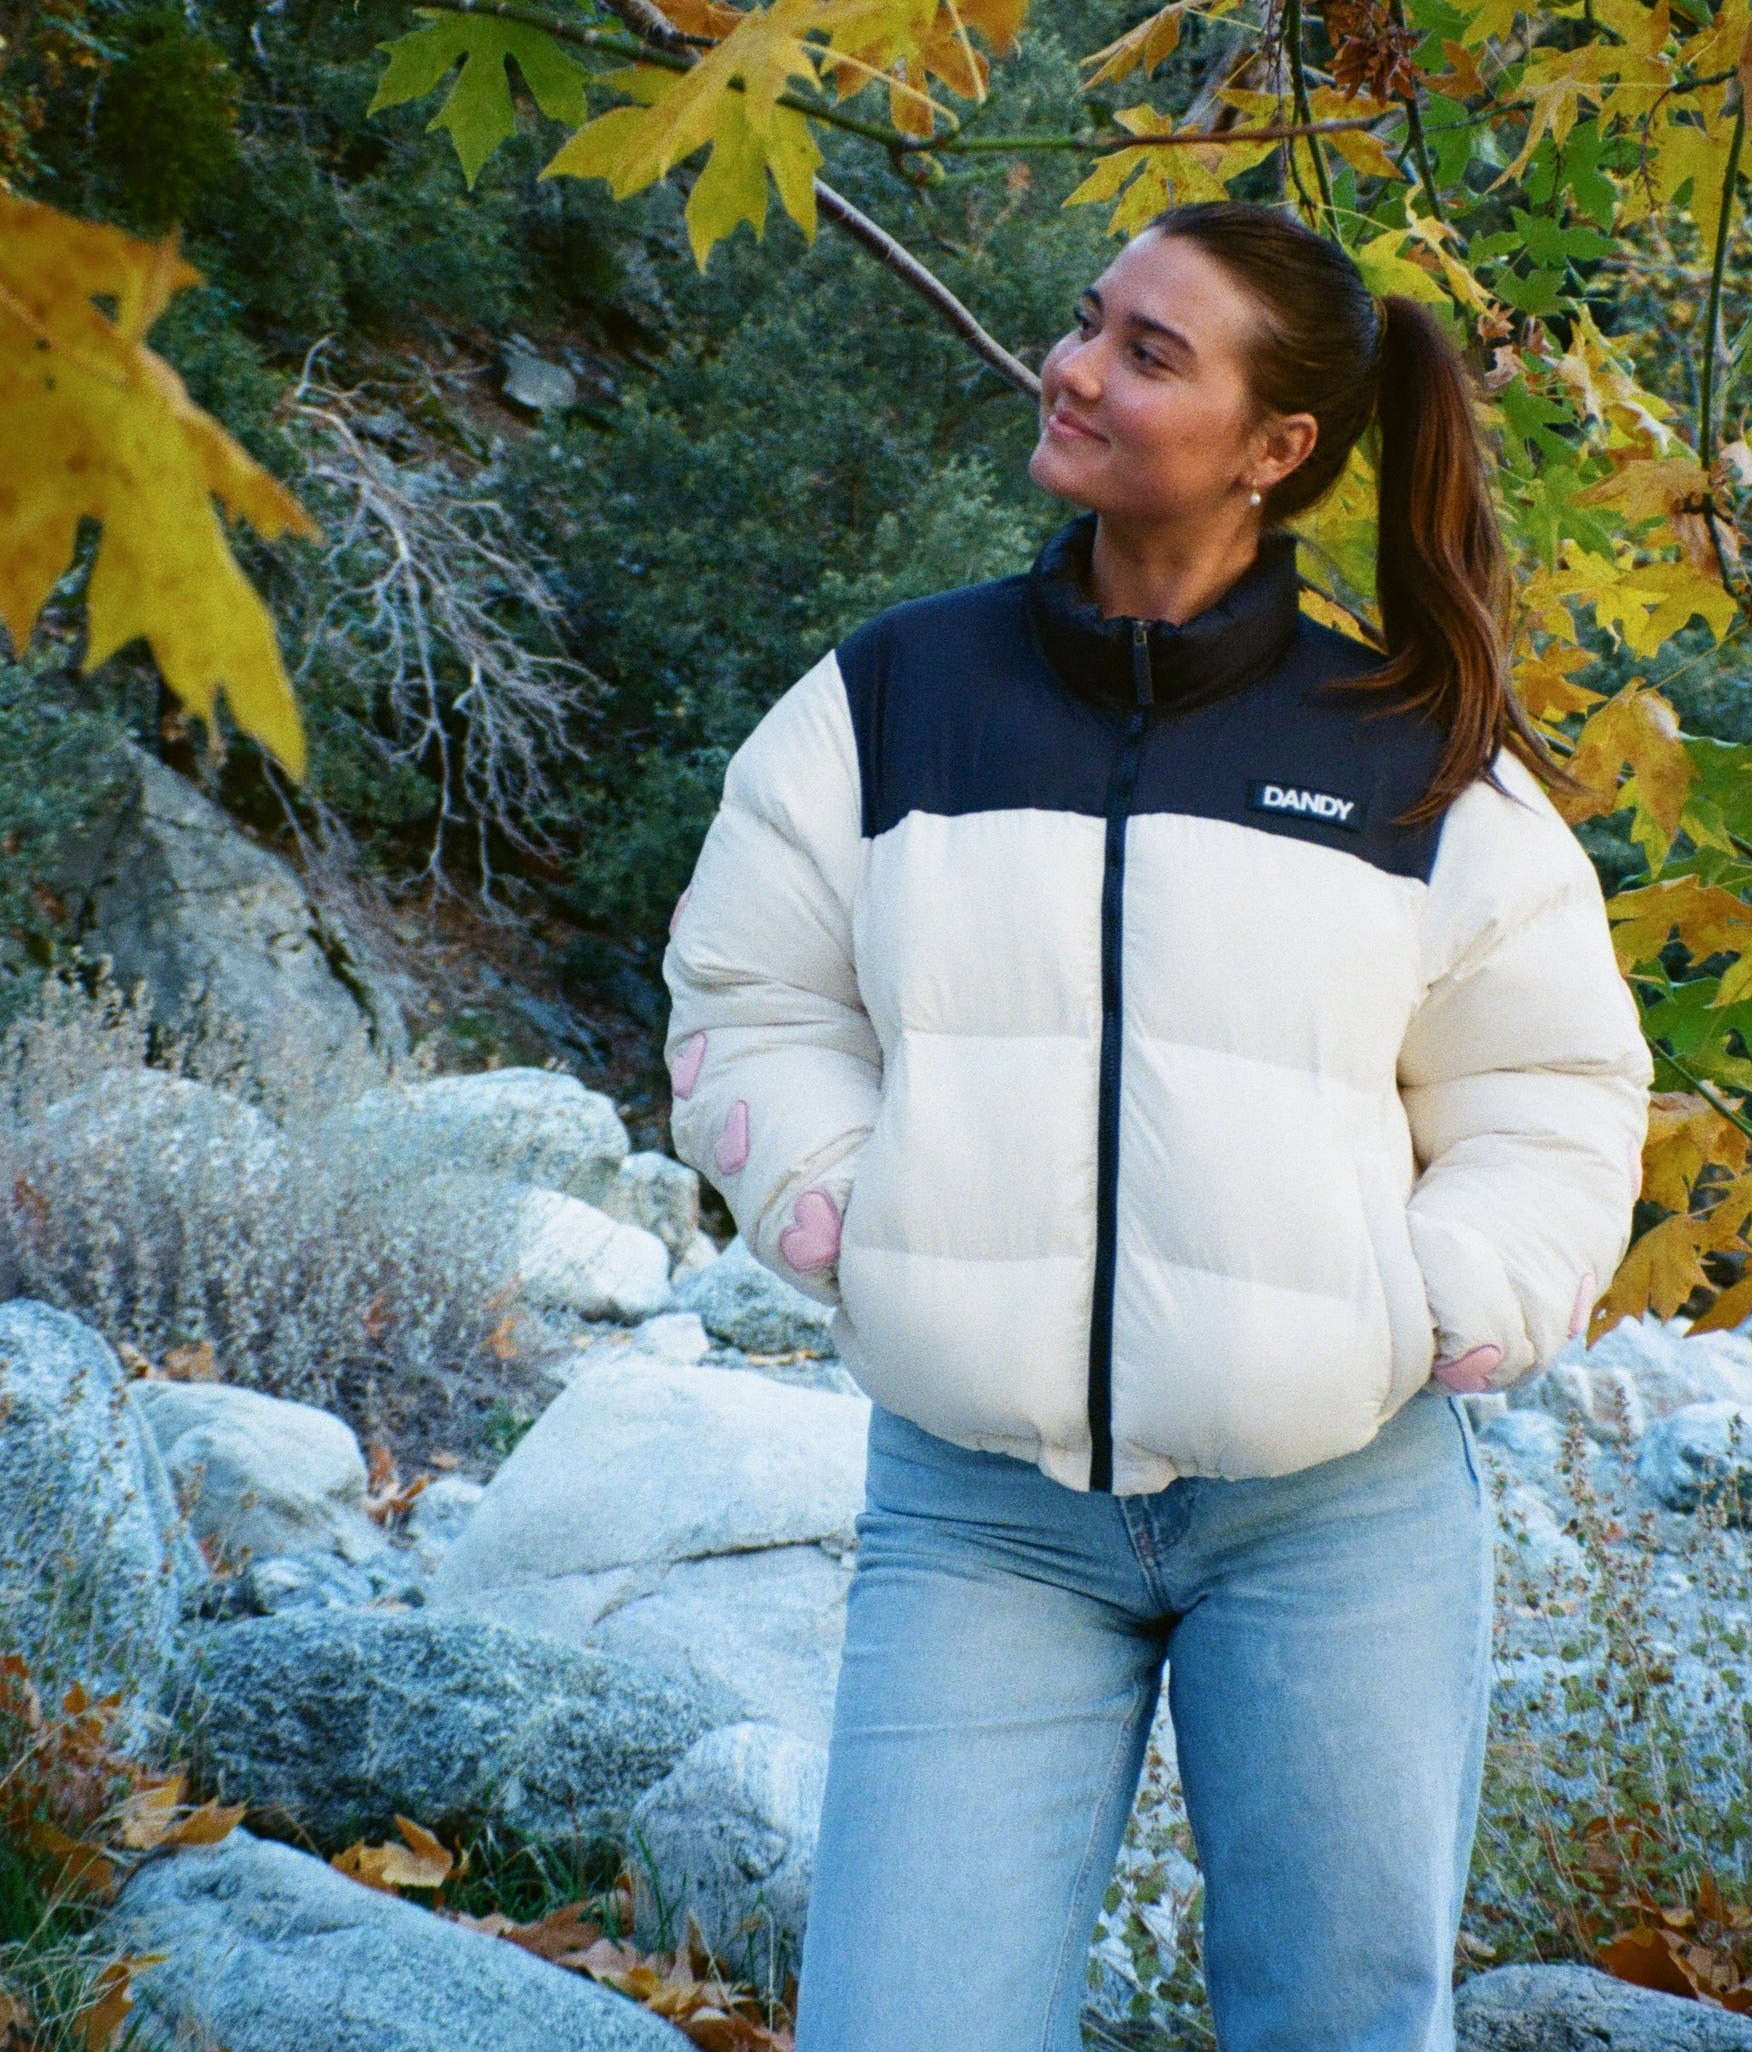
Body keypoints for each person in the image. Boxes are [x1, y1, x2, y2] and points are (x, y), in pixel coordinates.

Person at [661, 199, 1652, 2052]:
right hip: (980, 1511)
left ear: (1275, 448)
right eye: (1084, 319)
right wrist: (843, 1209)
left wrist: (1427, 1303)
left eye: (1146, 352)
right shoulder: (895, 697)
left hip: (1332, 1508)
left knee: (1337, 2033)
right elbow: (754, 992)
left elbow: (1547, 1091)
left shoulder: (1407, 745)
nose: (1072, 369)